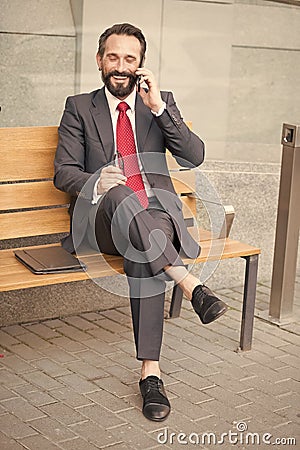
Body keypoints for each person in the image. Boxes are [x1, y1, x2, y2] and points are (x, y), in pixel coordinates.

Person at [54, 23, 228, 422]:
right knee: (120, 192)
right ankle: (189, 283)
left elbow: (193, 156)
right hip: (100, 221)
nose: (120, 66)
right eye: (112, 57)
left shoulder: (159, 104)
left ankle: (151, 373)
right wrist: (96, 179)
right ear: (100, 60)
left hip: (151, 225)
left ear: (140, 66)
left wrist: (159, 111)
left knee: (148, 239)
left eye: (129, 59)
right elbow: (63, 172)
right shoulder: (79, 107)